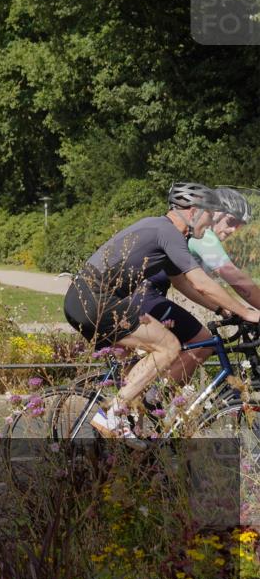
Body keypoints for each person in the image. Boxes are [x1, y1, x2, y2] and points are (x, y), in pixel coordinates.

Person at [62, 182, 260, 445]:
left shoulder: (164, 231)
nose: (211, 222)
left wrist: (221, 309)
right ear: (193, 212)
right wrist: (247, 312)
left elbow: (183, 284)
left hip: (87, 300)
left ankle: (131, 420)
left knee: (151, 361)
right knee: (168, 346)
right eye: (209, 215)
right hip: (94, 300)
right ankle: (114, 414)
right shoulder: (167, 232)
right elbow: (202, 283)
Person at [141, 187, 258, 384]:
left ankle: (145, 397)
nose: (233, 230)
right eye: (231, 221)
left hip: (139, 297)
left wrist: (221, 309)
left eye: (240, 226)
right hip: (144, 296)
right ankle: (155, 400)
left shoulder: (190, 236)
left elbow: (189, 284)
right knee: (203, 343)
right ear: (214, 213)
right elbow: (235, 279)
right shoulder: (202, 237)